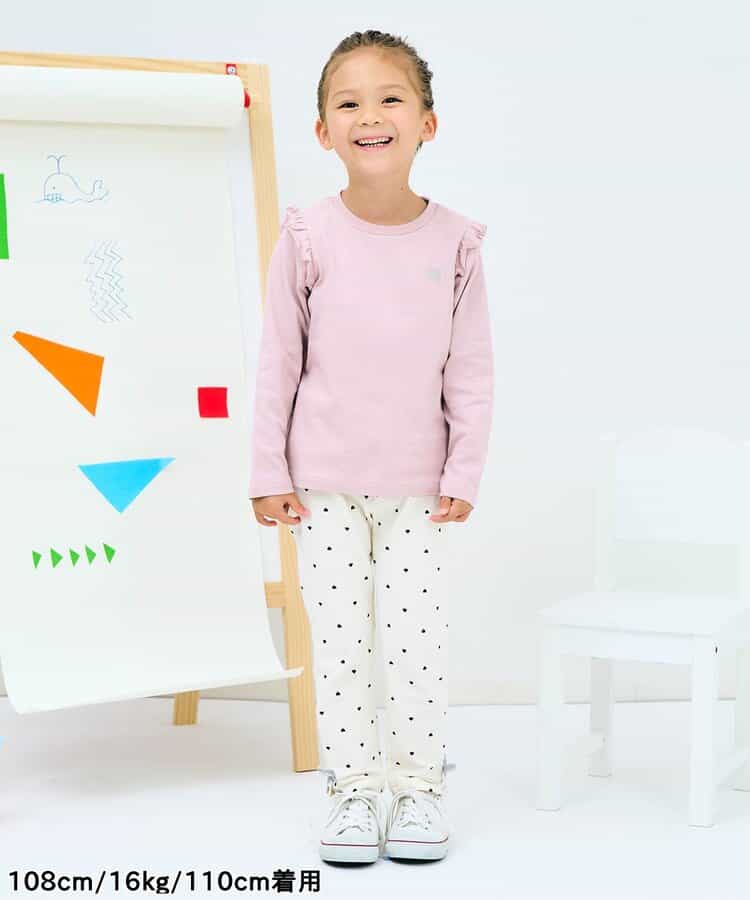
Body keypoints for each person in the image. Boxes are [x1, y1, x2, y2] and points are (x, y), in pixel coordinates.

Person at [248, 29, 494, 865]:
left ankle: (418, 787)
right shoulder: (307, 236)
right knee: (341, 641)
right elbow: (278, 360)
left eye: (391, 98)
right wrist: (267, 471)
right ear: (323, 131)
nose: (371, 116)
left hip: (420, 488)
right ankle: (354, 789)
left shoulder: (457, 243)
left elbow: (471, 368)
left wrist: (464, 470)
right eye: (348, 103)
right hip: (320, 487)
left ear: (428, 122)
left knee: (416, 642)